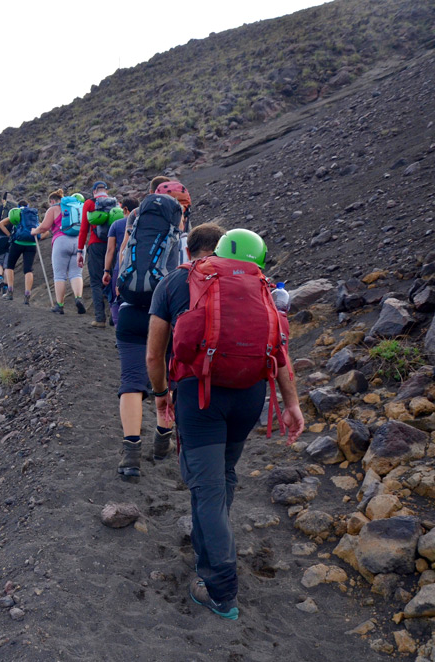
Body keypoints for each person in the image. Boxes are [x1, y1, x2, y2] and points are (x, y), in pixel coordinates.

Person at [147, 226, 304, 621]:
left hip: (200, 397)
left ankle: (220, 590)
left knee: (207, 489)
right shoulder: (262, 286)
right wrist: (291, 405)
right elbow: (280, 353)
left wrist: (161, 395)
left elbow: (153, 355)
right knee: (223, 477)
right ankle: (209, 554)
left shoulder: (178, 280)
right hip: (249, 396)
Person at [112, 176, 184, 479]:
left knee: (131, 380)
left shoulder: (133, 233)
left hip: (129, 312)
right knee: (164, 375)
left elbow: (120, 269)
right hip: (163, 315)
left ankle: (131, 455)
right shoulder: (176, 238)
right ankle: (161, 440)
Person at [31, 189, 84, 314]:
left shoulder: (53, 209)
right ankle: (78, 298)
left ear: (52, 201)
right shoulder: (75, 208)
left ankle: (60, 305)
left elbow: (44, 227)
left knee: (60, 275)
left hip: (61, 241)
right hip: (78, 241)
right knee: (76, 274)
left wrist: (34, 231)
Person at [78, 181, 120, 326]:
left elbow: (84, 229)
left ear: (94, 191)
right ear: (106, 191)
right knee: (112, 279)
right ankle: (113, 316)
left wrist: (80, 251)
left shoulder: (89, 203)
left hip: (95, 245)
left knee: (96, 282)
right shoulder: (115, 203)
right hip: (112, 246)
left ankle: (99, 318)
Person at [102, 197, 138, 327]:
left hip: (120, 266)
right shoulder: (143, 223)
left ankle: (119, 330)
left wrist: (106, 271)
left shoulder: (116, 225)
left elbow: (110, 250)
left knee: (116, 300)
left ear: (125, 209)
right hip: (139, 266)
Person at [2, 200, 38, 304]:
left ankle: (10, 291)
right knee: (28, 269)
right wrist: (38, 238)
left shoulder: (17, 212)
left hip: (18, 242)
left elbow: (1, 224)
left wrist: (10, 235)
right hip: (31, 244)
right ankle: (27, 295)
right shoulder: (33, 215)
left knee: (10, 266)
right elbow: (44, 231)